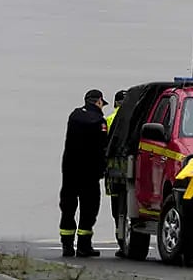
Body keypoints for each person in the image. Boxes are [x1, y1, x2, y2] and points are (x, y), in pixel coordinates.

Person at [59, 89, 108, 258]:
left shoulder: (74, 116)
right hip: (89, 173)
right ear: (99, 101)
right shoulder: (99, 121)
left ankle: (66, 246)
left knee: (68, 207)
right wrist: (103, 169)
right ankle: (83, 246)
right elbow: (102, 148)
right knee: (89, 209)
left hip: (70, 171)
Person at [103, 90, 126, 256]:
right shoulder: (137, 118)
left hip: (113, 171)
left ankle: (120, 240)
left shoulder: (109, 119)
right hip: (132, 171)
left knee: (116, 208)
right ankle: (126, 241)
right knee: (127, 207)